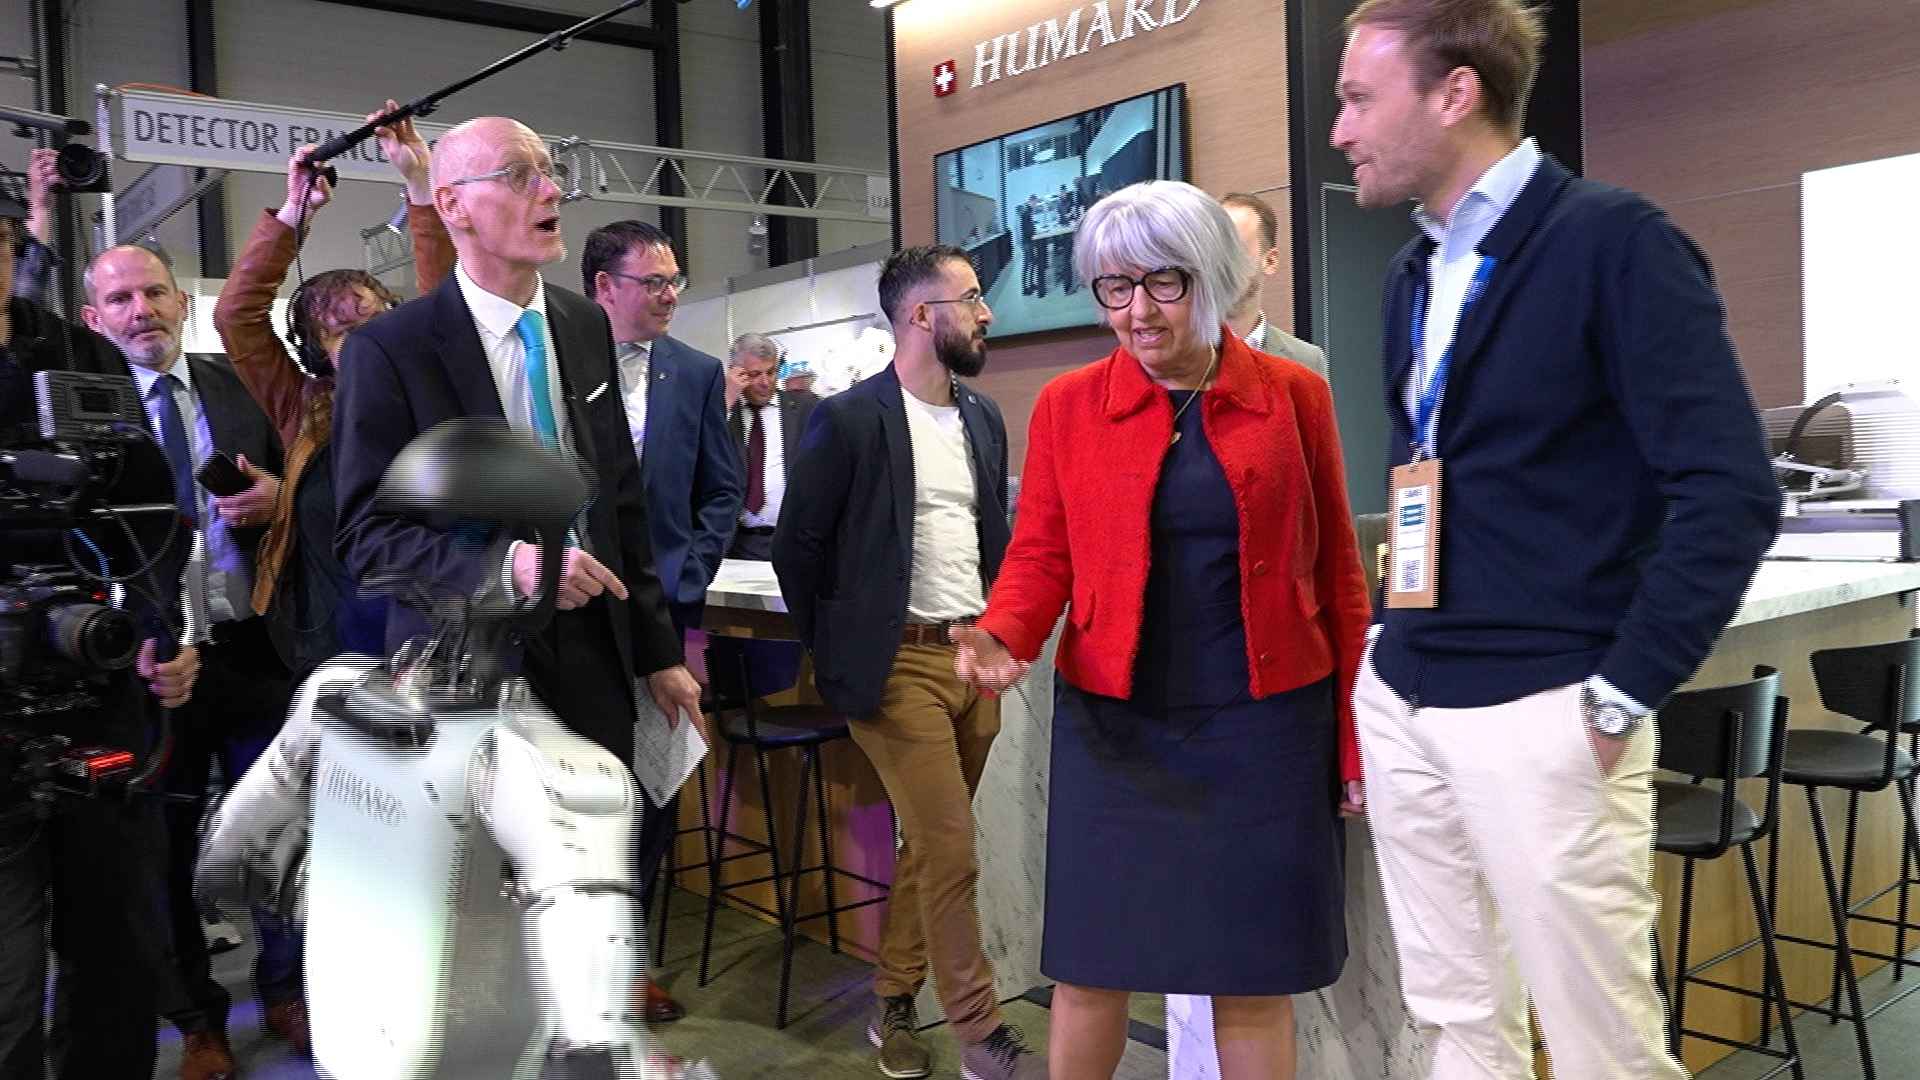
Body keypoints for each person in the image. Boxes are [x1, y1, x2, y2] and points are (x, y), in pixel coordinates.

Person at [1330, 2, 1778, 1076]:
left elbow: (1730, 491)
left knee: (1599, 1044)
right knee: (1452, 1019)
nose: (1340, 131)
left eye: (1357, 99)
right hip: (1407, 692)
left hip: (1546, 707)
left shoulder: (1613, 242)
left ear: (1455, 93)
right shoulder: (1411, 273)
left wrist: (1622, 695)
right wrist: (1384, 654)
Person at [953, 181, 1369, 1080]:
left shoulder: (1295, 395)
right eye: (1115, 286)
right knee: (1091, 967)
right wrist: (1005, 632)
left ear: (1211, 277)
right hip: (1117, 729)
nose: (1137, 311)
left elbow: (1338, 568)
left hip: (1264, 724)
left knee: (1251, 976)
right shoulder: (1069, 404)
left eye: (1162, 283)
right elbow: (1042, 552)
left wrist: (1352, 737)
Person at [331, 110, 701, 823]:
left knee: (601, 854)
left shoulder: (583, 324)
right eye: (519, 175)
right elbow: (365, 538)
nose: (552, 191)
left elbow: (622, 501)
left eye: (549, 173)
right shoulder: (392, 350)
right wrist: (509, 567)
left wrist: (659, 653)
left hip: (593, 649)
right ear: (453, 205)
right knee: (483, 874)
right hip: (463, 663)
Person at [773, 245, 1044, 1080]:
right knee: (953, 848)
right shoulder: (850, 419)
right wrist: (841, 649)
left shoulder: (983, 417)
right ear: (923, 315)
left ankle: (892, 1000)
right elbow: (796, 550)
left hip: (972, 663)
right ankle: (981, 1035)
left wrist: (1002, 631)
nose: (986, 312)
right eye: (972, 297)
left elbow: (994, 538)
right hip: (896, 668)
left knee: (930, 847)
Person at [80, 242, 293, 1080]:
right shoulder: (83, 408)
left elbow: (308, 484)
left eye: (154, 293)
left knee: (278, 830)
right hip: (150, 663)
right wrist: (134, 638)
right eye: (121, 300)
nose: (142, 311)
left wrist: (280, 497)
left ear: (180, 301)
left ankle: (286, 990)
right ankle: (199, 1021)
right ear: (95, 317)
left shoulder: (236, 383)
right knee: (164, 849)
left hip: (252, 647)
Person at [0, 193, 201, 1080]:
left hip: (94, 686)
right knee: (8, 983)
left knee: (117, 950)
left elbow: (148, 513)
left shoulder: (79, 356)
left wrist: (159, 633)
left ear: (13, 247)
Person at [578, 217, 743, 1023]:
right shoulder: (558, 363)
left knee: (652, 786)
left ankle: (630, 961)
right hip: (571, 611)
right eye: (654, 282)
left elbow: (722, 487)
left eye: (675, 280)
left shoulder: (697, 373)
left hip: (664, 615)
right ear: (604, 287)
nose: (671, 294)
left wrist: (691, 570)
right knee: (578, 790)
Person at [220, 104, 440, 684]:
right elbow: (236, 317)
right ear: (318, 352)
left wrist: (420, 182)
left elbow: (446, 298)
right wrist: (296, 212)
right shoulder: (302, 404)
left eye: (375, 323)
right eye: (343, 333)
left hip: (422, 632)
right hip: (326, 643)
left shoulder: (429, 387)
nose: (367, 343)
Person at [727, 332, 817, 562]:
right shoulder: (724, 413)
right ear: (736, 373)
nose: (765, 382)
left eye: (771, 372)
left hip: (795, 541)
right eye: (755, 374)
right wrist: (726, 401)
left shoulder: (805, 409)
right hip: (736, 543)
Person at [1219, 191, 1329, 380]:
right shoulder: (1175, 353)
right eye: (1213, 250)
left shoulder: (1307, 360)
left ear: (1270, 261)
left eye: (1236, 251)